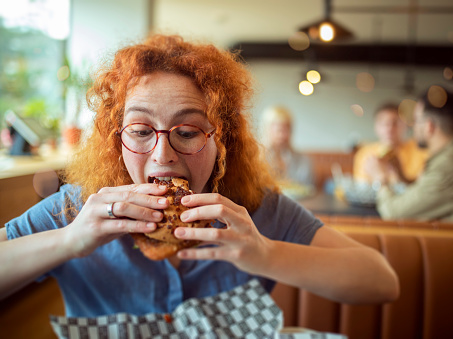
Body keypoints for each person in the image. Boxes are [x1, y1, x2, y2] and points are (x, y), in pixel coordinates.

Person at [0, 35, 399, 317]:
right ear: (116, 140)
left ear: (221, 141)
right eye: (140, 131)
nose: (162, 155)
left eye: (187, 132)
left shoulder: (256, 213)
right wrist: (69, 240)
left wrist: (266, 253)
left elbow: (381, 281)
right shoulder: (77, 208)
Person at [374, 87, 453, 222]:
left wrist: (381, 178)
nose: (413, 126)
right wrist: (402, 176)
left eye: (416, 120)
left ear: (429, 126)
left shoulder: (449, 166)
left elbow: (393, 214)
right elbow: (429, 192)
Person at [353, 103, 427, 185]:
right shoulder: (365, 154)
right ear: (376, 127)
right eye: (384, 123)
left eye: (395, 123)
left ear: (405, 125)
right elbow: (362, 186)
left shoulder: (420, 149)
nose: (389, 128)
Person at [261, 105, 314, 188]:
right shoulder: (256, 158)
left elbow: (309, 187)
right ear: (267, 130)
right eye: (279, 130)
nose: (284, 135)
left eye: (287, 130)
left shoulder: (302, 159)